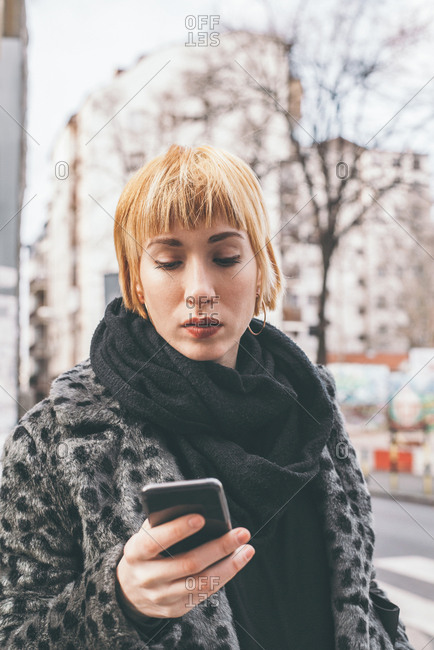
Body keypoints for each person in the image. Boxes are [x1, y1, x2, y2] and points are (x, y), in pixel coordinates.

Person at [0, 144, 414, 649]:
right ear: (135, 278)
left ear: (260, 267)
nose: (199, 288)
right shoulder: (57, 437)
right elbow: (14, 631)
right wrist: (119, 603)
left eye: (225, 257)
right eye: (170, 261)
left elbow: (359, 592)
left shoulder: (312, 405)